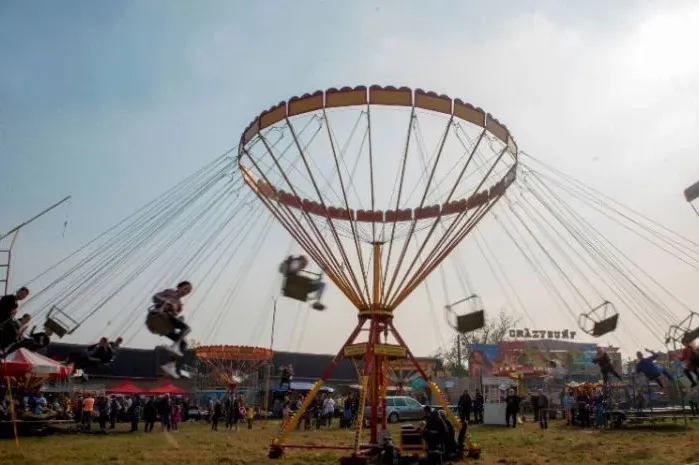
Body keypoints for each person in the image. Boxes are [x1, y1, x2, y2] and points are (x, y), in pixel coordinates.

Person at [149, 281, 193, 378]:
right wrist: (165, 301)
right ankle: (175, 345)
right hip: (159, 317)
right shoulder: (170, 292)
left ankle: (170, 365)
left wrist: (178, 318)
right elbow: (155, 297)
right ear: (179, 287)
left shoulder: (180, 306)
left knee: (184, 343)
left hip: (167, 325)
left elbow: (174, 316)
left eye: (188, 291)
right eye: (185, 289)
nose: (186, 292)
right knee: (187, 328)